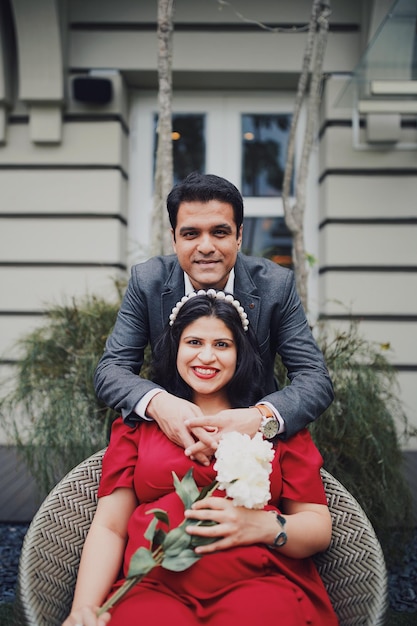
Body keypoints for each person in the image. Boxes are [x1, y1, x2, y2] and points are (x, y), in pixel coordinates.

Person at [63, 291, 338, 626]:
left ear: (240, 354)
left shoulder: (272, 426)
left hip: (258, 582)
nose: (206, 356)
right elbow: (110, 526)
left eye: (222, 344)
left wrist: (264, 526)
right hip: (154, 586)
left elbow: (318, 527)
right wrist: (84, 607)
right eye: (194, 342)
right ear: (176, 349)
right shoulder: (137, 426)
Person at [94, 172, 333, 465]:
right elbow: (111, 369)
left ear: (239, 236)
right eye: (191, 233)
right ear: (174, 238)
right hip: (168, 441)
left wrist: (260, 418)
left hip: (255, 450)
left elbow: (315, 378)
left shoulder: (275, 285)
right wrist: (160, 404)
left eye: (219, 232)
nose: (206, 247)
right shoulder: (147, 281)